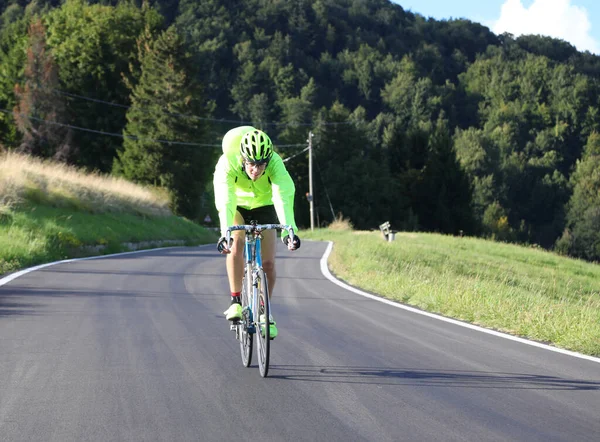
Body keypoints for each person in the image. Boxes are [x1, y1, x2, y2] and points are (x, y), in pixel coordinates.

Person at [213, 126, 301, 339]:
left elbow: (284, 195)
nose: (256, 170)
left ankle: (264, 312)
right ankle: (235, 301)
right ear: (243, 159)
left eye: (261, 164)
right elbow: (225, 199)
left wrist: (289, 231)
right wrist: (225, 232)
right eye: (251, 164)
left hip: (265, 205)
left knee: (268, 263)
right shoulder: (227, 162)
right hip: (238, 205)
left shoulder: (275, 163)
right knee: (237, 244)